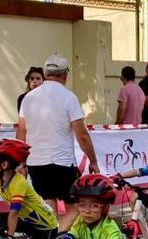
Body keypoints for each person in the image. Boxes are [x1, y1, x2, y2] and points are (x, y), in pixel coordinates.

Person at [17, 54, 101, 215]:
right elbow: (82, 136)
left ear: (45, 73)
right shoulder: (69, 98)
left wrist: (21, 164)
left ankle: (53, 237)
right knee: (73, 206)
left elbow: (21, 132)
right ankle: (63, 237)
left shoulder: (28, 98)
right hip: (61, 161)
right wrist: (93, 161)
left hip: (36, 162)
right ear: (65, 75)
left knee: (48, 205)